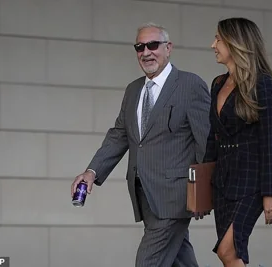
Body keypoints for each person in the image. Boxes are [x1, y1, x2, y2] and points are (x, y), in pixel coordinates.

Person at [71, 22, 211, 267]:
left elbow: (207, 141)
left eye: (153, 45)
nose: (146, 52)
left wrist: (205, 192)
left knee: (148, 262)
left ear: (168, 48)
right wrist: (91, 172)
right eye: (140, 47)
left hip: (174, 197)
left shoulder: (190, 85)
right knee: (180, 259)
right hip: (143, 193)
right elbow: (119, 135)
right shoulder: (134, 89)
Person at [202, 17, 272, 267]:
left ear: (235, 42)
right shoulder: (217, 84)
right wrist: (202, 185)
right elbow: (211, 138)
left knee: (229, 251)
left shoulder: (263, 84)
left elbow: (269, 142)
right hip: (222, 181)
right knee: (229, 256)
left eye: (218, 38)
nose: (212, 44)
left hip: (251, 182)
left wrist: (270, 194)